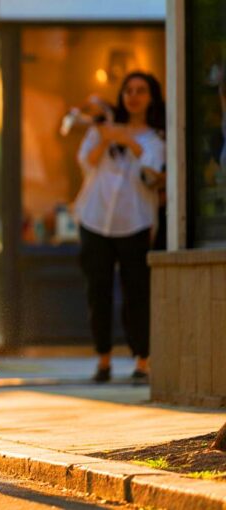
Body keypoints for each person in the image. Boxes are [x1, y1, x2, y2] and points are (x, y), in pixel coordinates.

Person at [74, 72, 166, 384]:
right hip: (94, 220)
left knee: (136, 292)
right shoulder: (104, 128)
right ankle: (103, 360)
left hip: (136, 223)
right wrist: (106, 135)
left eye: (141, 90)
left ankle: (142, 360)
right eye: (128, 90)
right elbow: (87, 163)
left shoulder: (157, 137)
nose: (134, 96)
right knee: (96, 292)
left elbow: (154, 172)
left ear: (152, 96)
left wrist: (128, 140)